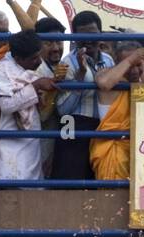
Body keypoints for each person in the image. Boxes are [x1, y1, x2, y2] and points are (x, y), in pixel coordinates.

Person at [52, 11, 113, 182]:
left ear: (100, 34)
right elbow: (63, 110)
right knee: (71, 180)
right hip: (74, 125)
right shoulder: (67, 63)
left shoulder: (108, 60)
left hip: (102, 126)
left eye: (92, 34)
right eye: (82, 35)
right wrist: (80, 77)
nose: (87, 40)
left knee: (99, 178)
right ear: (75, 37)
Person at [91, 42, 144, 181]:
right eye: (130, 66)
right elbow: (105, 83)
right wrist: (131, 59)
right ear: (118, 63)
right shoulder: (107, 75)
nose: (135, 71)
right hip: (114, 151)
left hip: (139, 151)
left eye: (138, 65)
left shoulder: (140, 83)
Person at [0, 30, 54, 182]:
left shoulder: (29, 65)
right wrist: (36, 85)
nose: (39, 62)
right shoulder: (3, 72)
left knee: (34, 183)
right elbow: (6, 105)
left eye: (39, 55)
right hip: (13, 137)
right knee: (14, 179)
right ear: (17, 58)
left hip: (32, 134)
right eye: (34, 58)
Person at [33, 15, 65, 178]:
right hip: (40, 137)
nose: (55, 48)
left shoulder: (67, 65)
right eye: (48, 43)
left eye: (59, 42)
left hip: (63, 135)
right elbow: (42, 115)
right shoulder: (34, 71)